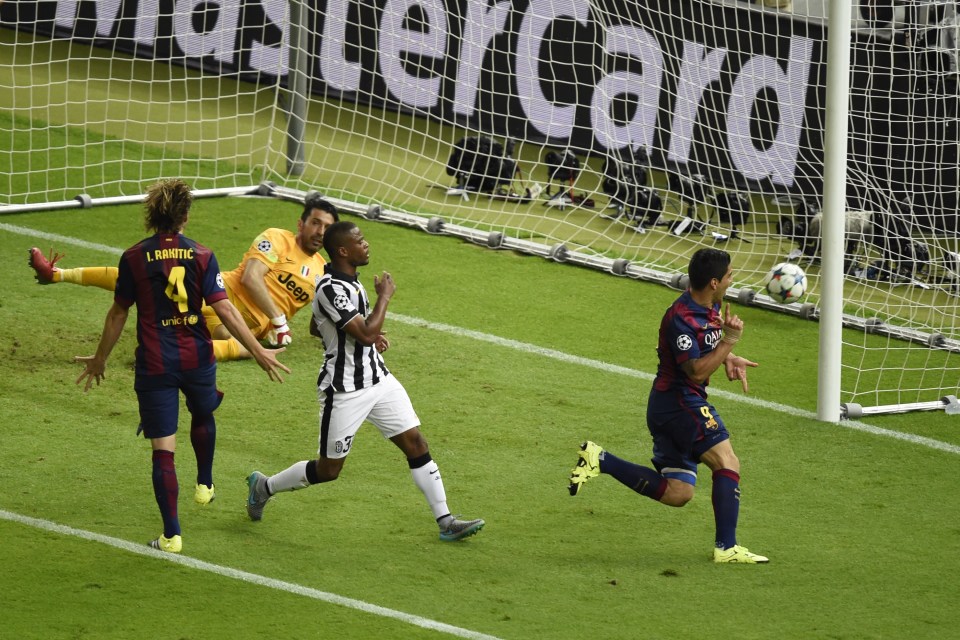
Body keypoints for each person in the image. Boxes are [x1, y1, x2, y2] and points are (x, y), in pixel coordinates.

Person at [75, 178, 290, 554]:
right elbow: (225, 310)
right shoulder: (203, 256)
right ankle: (205, 481)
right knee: (203, 412)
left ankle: (171, 536)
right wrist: (258, 351)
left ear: (152, 215)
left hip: (156, 363)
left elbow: (118, 313)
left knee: (163, 450)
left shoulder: (133, 257)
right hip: (197, 358)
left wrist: (100, 359)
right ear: (185, 216)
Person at [245, 221, 485, 542]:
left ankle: (446, 521)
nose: (366, 244)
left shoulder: (352, 283)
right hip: (343, 391)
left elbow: (324, 327)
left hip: (379, 380)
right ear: (344, 251)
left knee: (416, 443)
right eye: (360, 241)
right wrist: (383, 300)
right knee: (329, 470)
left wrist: (367, 335)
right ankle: (265, 486)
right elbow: (361, 330)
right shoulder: (331, 287)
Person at [569, 248, 768, 564]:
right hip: (679, 403)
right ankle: (726, 548)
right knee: (727, 461)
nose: (733, 279)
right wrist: (730, 342)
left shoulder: (711, 304)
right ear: (714, 282)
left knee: (679, 493)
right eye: (730, 275)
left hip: (672, 404)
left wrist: (728, 357)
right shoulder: (680, 318)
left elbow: (706, 348)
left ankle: (600, 459)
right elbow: (697, 370)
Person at [29, 195, 339, 361]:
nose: (319, 231)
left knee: (224, 344)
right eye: (315, 222)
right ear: (301, 223)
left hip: (245, 326)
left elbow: (323, 321)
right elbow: (251, 279)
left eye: (326, 227)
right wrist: (280, 321)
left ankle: (158, 354)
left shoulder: (324, 272)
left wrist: (365, 334)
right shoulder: (278, 238)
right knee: (150, 277)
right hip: (220, 293)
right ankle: (57, 274)